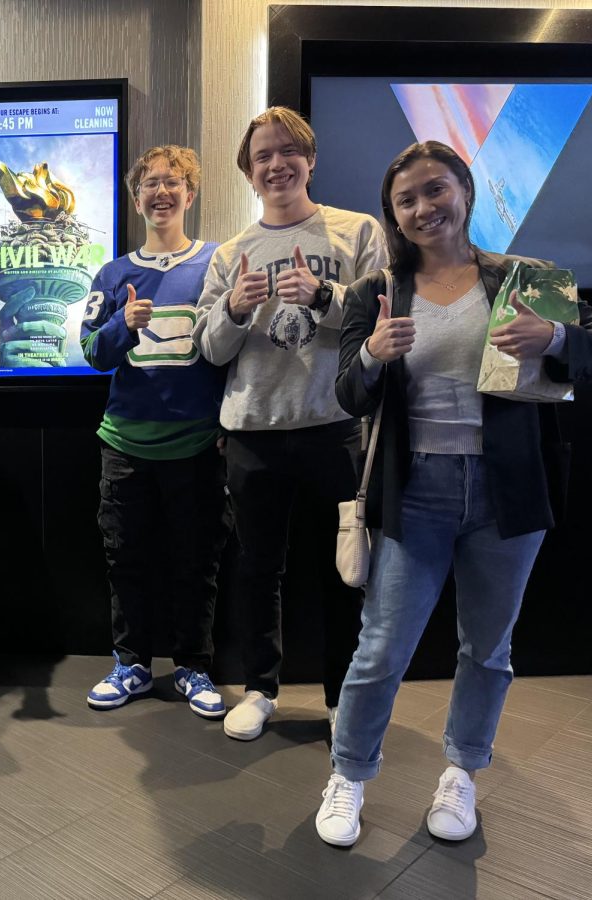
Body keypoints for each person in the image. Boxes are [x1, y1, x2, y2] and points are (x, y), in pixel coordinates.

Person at [314, 140, 592, 847]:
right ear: (392, 214)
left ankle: (462, 773)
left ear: (465, 190)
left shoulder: (525, 278)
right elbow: (347, 393)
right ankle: (350, 774)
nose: (424, 207)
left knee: (487, 648)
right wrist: (369, 355)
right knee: (382, 648)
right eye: (407, 199)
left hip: (506, 493)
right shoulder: (377, 293)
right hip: (413, 488)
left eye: (436, 189)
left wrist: (554, 336)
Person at [194, 107, 387, 740]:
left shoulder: (357, 232)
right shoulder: (231, 255)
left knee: (345, 567)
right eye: (261, 157)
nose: (276, 164)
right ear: (248, 173)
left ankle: (343, 697)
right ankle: (259, 689)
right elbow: (210, 349)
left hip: (334, 424)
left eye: (287, 152)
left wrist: (326, 299)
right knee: (256, 566)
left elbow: (381, 324)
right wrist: (235, 308)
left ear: (310, 158)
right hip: (252, 429)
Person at [80, 145, 231, 718]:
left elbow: (232, 351)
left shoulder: (217, 263)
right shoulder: (114, 272)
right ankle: (132, 664)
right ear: (135, 195)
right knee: (127, 558)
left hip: (197, 445)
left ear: (190, 194)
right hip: (124, 445)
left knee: (198, 559)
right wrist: (124, 323)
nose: (161, 193)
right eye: (150, 184)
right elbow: (93, 351)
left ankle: (193, 665)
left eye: (173, 183)